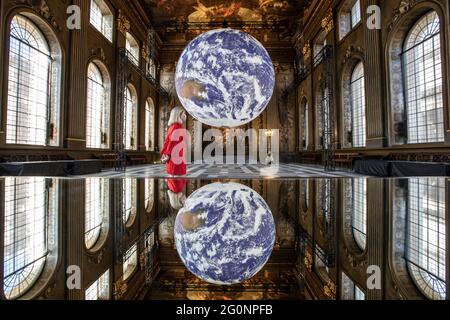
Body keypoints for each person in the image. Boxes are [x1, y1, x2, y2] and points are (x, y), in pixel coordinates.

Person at [161, 107, 188, 176]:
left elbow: (167, 141)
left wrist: (164, 153)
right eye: (183, 114)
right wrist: (168, 155)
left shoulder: (173, 127)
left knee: (175, 181)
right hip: (176, 160)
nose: (185, 115)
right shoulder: (177, 127)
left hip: (176, 158)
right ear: (178, 115)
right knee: (177, 183)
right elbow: (172, 142)